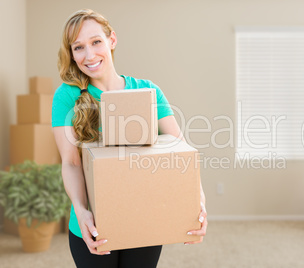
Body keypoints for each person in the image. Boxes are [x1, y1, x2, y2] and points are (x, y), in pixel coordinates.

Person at [52, 9, 207, 268]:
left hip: (144, 220)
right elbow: (71, 163)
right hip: (92, 225)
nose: (89, 55)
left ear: (112, 40)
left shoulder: (147, 92)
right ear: (71, 53)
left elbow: (181, 154)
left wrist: (198, 204)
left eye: (96, 42)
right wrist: (81, 211)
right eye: (78, 47)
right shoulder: (67, 96)